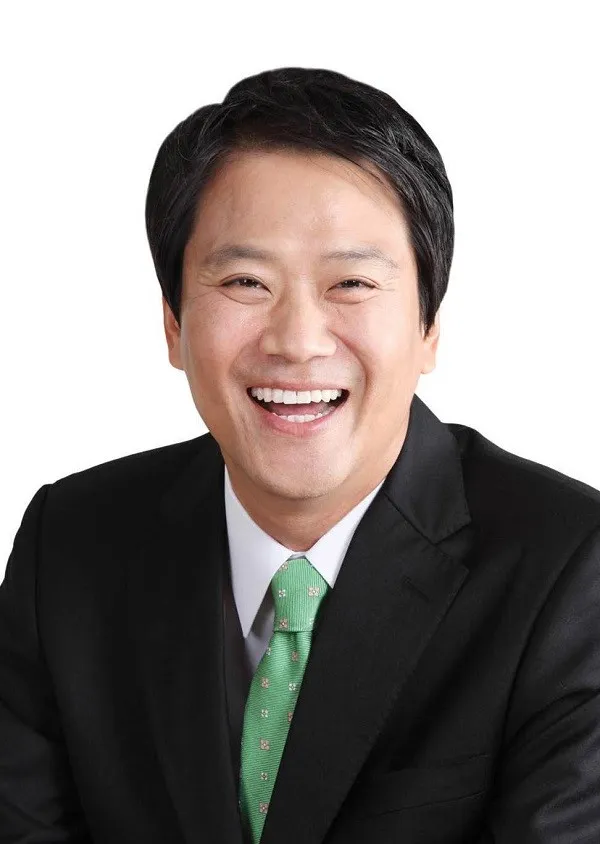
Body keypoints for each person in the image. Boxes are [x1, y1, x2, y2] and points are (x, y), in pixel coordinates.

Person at [1, 66, 599, 844]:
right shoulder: (70, 546)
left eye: (351, 283)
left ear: (429, 327)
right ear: (174, 324)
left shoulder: (569, 569)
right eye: (246, 282)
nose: (297, 341)